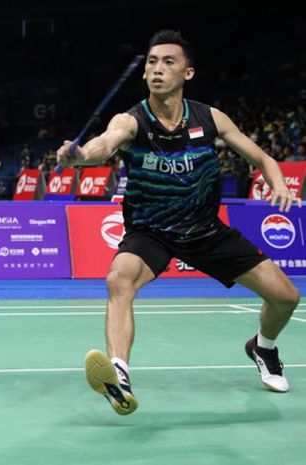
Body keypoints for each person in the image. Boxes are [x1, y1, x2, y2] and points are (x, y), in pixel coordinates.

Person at [57, 30, 301, 415]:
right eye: (152, 62)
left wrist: (278, 182)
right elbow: (103, 145)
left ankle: (263, 347)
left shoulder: (209, 118)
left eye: (168, 62)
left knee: (287, 297)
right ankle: (118, 374)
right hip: (152, 230)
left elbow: (264, 159)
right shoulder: (132, 119)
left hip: (206, 230)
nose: (157, 69)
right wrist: (79, 155)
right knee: (119, 278)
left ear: (188, 72)